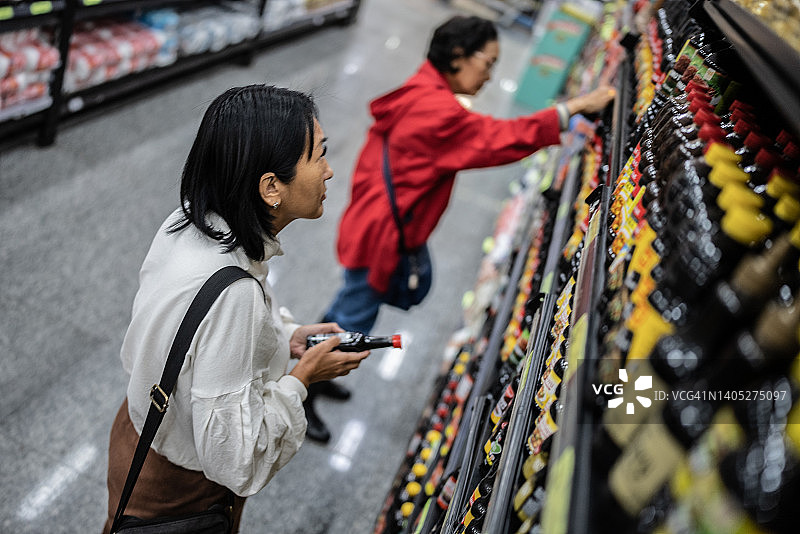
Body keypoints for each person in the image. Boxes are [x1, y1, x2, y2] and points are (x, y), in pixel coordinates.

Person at [307, 15, 616, 441]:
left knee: (351, 303)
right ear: (457, 56)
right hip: (383, 235)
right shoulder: (437, 112)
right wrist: (571, 110)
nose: (490, 75)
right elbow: (497, 138)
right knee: (352, 312)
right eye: (487, 63)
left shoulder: (422, 87)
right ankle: (306, 389)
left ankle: (319, 376)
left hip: (374, 219)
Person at [102, 85, 369, 533]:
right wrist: (301, 381)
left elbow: (195, 336)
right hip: (179, 489)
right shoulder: (236, 295)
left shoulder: (189, 220)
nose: (329, 171)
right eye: (318, 157)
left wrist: (286, 338)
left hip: (137, 435)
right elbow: (236, 461)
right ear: (271, 187)